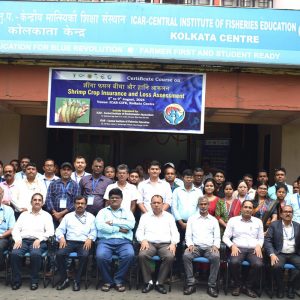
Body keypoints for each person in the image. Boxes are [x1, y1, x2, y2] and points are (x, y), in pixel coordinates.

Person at [136, 195, 179, 294]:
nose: (156, 205)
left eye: (158, 203)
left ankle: (160, 282)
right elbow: (139, 231)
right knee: (142, 255)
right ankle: (149, 282)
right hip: (149, 243)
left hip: (165, 244)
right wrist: (142, 240)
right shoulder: (145, 216)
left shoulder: (169, 216)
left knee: (170, 256)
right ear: (150, 204)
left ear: (163, 204)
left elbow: (175, 232)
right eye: (154, 203)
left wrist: (173, 243)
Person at [11, 193, 54, 290]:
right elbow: (16, 229)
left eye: (39, 200)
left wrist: (40, 239)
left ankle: (34, 281)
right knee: (15, 254)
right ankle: (16, 281)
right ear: (31, 202)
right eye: (35, 200)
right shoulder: (24, 215)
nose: (37, 202)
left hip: (39, 241)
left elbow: (50, 231)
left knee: (35, 254)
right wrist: (17, 239)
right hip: (23, 240)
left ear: (42, 203)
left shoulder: (46, 216)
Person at [95, 188, 135, 292]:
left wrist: (112, 222)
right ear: (108, 199)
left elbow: (131, 225)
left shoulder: (127, 212)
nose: (114, 200)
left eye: (117, 198)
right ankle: (108, 281)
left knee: (129, 255)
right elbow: (100, 226)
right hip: (105, 241)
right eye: (112, 198)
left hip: (124, 242)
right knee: (101, 256)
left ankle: (118, 280)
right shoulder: (102, 212)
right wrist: (119, 228)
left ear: (121, 199)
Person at [223, 200, 264, 298]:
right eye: (245, 207)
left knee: (258, 264)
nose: (248, 209)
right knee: (234, 262)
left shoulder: (258, 222)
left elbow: (261, 238)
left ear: (253, 210)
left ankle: (248, 287)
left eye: (250, 208)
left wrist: (259, 246)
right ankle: (238, 285)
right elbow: (225, 237)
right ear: (241, 208)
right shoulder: (233, 220)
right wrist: (232, 246)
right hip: (238, 248)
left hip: (253, 249)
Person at [55, 195, 96, 292]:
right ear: (74, 204)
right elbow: (59, 230)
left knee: (85, 256)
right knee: (59, 254)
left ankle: (77, 280)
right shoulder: (68, 216)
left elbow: (94, 231)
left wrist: (90, 238)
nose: (80, 205)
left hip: (83, 242)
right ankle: (64, 279)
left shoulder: (91, 217)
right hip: (69, 242)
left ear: (86, 205)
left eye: (82, 203)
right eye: (78, 203)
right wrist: (61, 238)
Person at [183, 197, 220, 297]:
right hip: (196, 247)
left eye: (205, 204)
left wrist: (216, 246)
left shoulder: (213, 220)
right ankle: (191, 284)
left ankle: (211, 286)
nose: (203, 206)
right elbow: (188, 235)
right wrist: (190, 244)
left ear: (208, 205)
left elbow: (217, 236)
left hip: (209, 248)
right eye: (201, 204)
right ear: (198, 206)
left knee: (216, 257)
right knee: (186, 255)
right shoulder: (192, 218)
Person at [264, 205, 300, 299]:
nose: (288, 213)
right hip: (279, 253)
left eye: (290, 212)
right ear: (281, 214)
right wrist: (272, 254)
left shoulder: (297, 225)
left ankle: (291, 287)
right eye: (285, 211)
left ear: (292, 214)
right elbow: (267, 241)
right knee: (276, 266)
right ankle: (280, 288)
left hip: (294, 253)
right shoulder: (274, 225)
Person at [171, 169, 203, 274]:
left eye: (191, 177)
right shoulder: (177, 191)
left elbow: (199, 208)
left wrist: (190, 223)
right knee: (178, 246)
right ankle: (177, 271)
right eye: (187, 177)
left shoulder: (198, 191)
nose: (189, 179)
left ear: (193, 178)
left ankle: (190, 272)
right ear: (183, 178)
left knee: (191, 246)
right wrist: (180, 221)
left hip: (194, 223)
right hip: (179, 223)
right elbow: (174, 207)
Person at [45, 162, 79, 228]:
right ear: (60, 171)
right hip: (53, 216)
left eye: (68, 170)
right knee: (53, 235)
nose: (66, 172)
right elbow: (48, 199)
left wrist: (61, 214)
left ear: (71, 172)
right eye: (64, 169)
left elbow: (75, 202)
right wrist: (55, 213)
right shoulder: (53, 184)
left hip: (69, 217)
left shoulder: (75, 185)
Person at [0, 186, 15, 267]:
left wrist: (1, 236)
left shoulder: (9, 210)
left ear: (2, 195)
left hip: (3, 237)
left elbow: (12, 228)